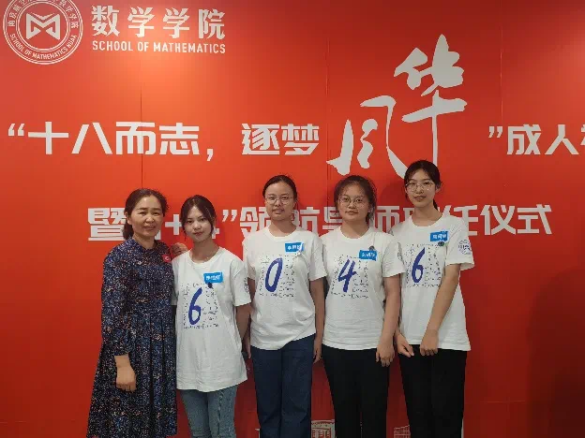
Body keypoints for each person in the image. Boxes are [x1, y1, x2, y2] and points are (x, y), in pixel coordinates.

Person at [391, 160, 475, 438]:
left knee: (446, 416)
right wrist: (397, 332)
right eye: (412, 184)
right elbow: (393, 287)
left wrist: (432, 330)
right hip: (409, 339)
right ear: (405, 189)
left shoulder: (454, 225)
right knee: (419, 417)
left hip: (446, 336)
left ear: (437, 187)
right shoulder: (397, 233)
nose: (419, 190)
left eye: (426, 183)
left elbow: (451, 278)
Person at [87, 188, 177, 438]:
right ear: (128, 216)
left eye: (156, 213)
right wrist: (122, 364)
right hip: (131, 350)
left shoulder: (163, 252)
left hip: (160, 350)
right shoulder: (119, 257)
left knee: (153, 424)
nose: (150, 219)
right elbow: (112, 313)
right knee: (126, 424)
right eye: (142, 212)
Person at [243, 175, 326, 438]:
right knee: (268, 409)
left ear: (294, 202)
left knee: (297, 409)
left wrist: (319, 336)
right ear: (264, 202)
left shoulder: (309, 240)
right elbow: (250, 293)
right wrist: (247, 335)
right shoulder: (252, 242)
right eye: (272, 198)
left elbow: (317, 292)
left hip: (300, 336)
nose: (278, 203)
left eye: (284, 197)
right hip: (263, 336)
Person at [321, 175, 404, 438]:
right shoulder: (323, 243)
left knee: (374, 416)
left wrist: (387, 339)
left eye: (359, 200)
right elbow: (318, 294)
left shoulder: (384, 242)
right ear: (337, 204)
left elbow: (393, 293)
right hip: (335, 343)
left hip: (373, 344)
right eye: (345, 199)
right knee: (344, 415)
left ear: (370, 205)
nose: (351, 205)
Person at [172, 195, 251, 438]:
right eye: (189, 221)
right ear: (183, 226)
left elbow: (243, 309)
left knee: (222, 430)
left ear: (213, 221)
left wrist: (231, 341)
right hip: (187, 362)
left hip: (222, 362)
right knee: (198, 432)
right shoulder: (177, 266)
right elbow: (174, 310)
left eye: (202, 219)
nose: (196, 226)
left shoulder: (231, 263)